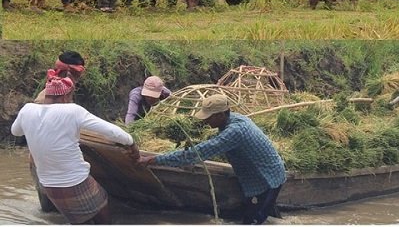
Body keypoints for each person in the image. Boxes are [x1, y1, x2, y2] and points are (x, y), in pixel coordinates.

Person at [137, 94, 286, 225]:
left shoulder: (234, 132)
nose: (206, 120)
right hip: (259, 174)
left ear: (220, 115)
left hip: (266, 179)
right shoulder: (235, 119)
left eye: (209, 117)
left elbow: (194, 155)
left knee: (253, 220)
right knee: (254, 214)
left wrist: (153, 160)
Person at [12, 72, 139, 224]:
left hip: (48, 185)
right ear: (66, 96)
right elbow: (112, 131)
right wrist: (131, 143)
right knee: (103, 209)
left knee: (79, 220)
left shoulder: (27, 110)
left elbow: (16, 131)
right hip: (75, 181)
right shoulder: (72, 111)